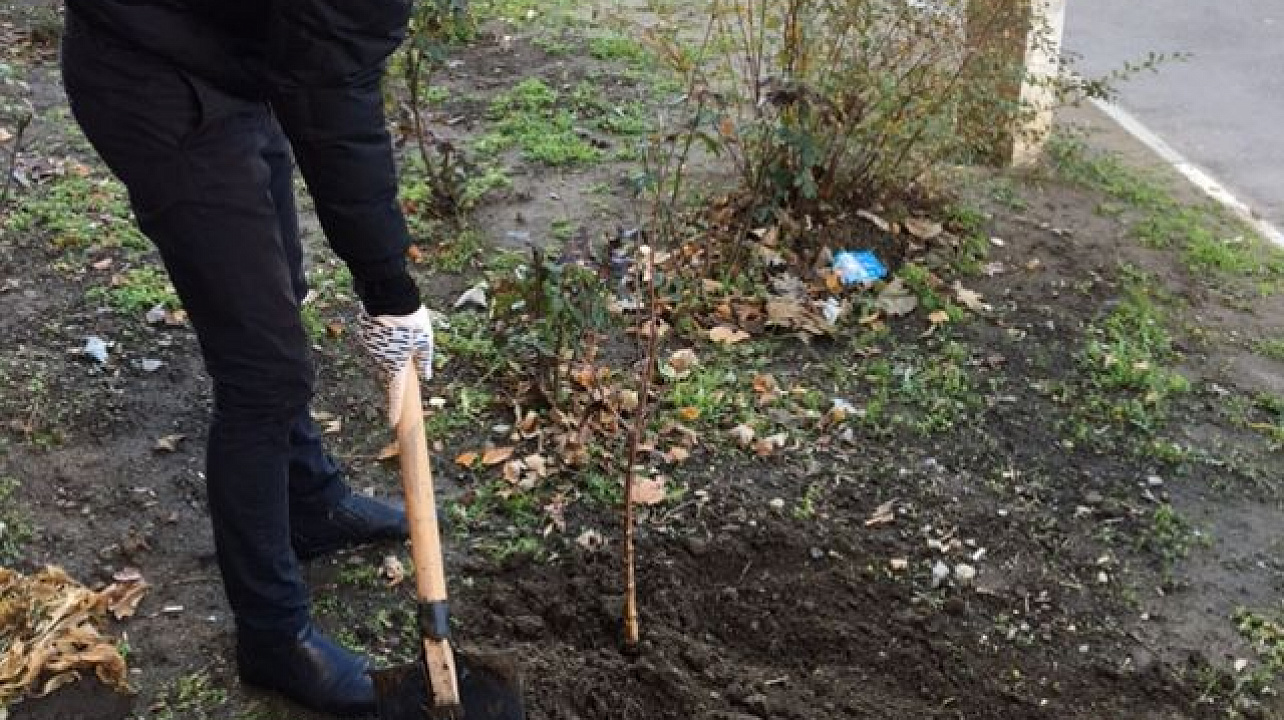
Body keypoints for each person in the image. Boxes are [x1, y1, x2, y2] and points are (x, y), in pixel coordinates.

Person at [60, 1, 436, 716]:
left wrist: (385, 284)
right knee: (261, 369)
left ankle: (309, 502)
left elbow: (326, 79)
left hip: (224, 51)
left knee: (276, 288)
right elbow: (336, 104)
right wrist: (389, 289)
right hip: (149, 72)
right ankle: (272, 633)